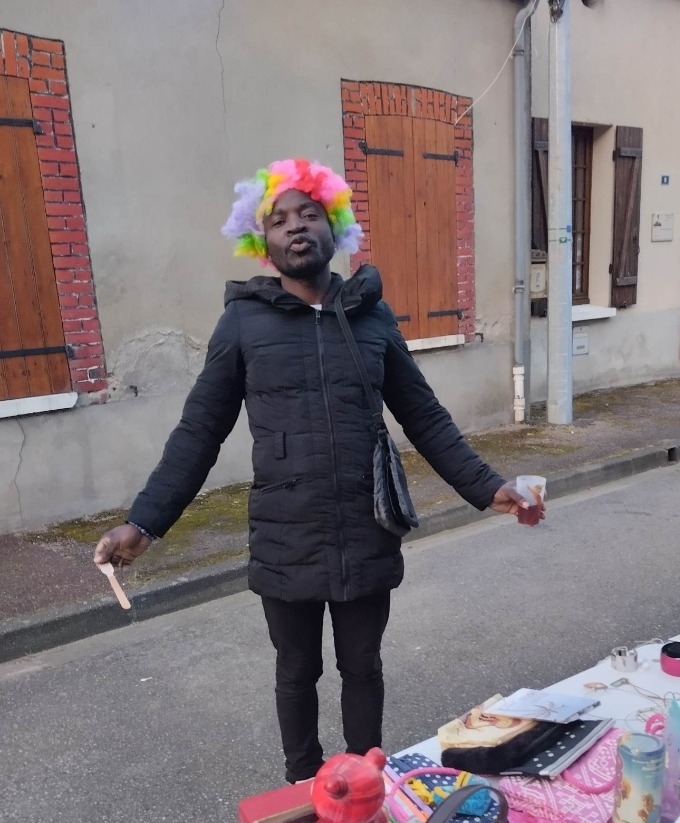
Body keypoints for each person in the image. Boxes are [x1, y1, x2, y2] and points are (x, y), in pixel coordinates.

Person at [94, 158, 545, 783]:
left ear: (335, 228)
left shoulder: (372, 316)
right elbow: (199, 431)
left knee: (363, 667)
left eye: (309, 214)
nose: (295, 226)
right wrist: (144, 523)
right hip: (286, 532)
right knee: (296, 671)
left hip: (366, 527)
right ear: (264, 243)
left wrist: (488, 486)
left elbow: (424, 416)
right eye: (279, 220)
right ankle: (304, 786)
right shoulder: (242, 324)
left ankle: (366, 780)